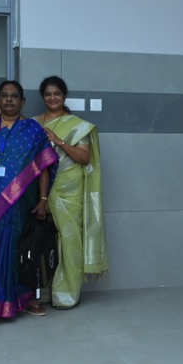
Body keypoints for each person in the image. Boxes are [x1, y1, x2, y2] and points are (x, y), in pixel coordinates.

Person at [0, 80, 58, 320]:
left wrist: (43, 199)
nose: (8, 99)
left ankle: (24, 300)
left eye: (14, 96)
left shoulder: (33, 129)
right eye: (4, 95)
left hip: (23, 203)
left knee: (21, 251)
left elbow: (43, 167)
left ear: (22, 101)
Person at [36, 76, 109, 309]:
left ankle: (66, 293)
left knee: (70, 240)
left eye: (57, 93)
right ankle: (41, 292)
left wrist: (59, 141)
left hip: (70, 190)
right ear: (42, 97)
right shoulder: (34, 123)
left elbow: (84, 158)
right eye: (48, 94)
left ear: (64, 96)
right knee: (40, 240)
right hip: (40, 189)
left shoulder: (78, 125)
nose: (52, 98)